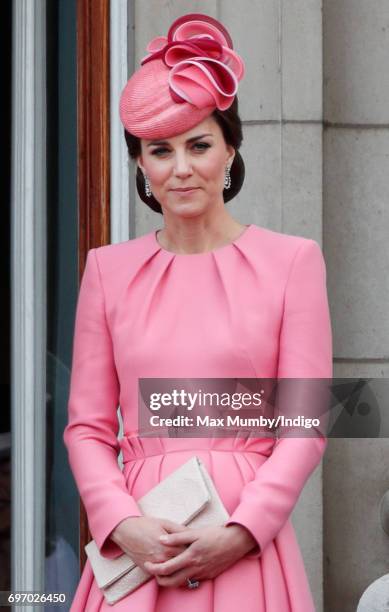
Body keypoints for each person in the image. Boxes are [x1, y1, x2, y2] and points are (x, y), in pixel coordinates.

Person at [63, 13, 333, 611]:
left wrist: (242, 531)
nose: (181, 168)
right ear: (140, 165)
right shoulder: (107, 271)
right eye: (160, 150)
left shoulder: (293, 262)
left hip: (243, 542)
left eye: (199, 144)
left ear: (230, 148)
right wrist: (120, 523)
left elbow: (305, 423)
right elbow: (86, 426)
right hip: (140, 544)